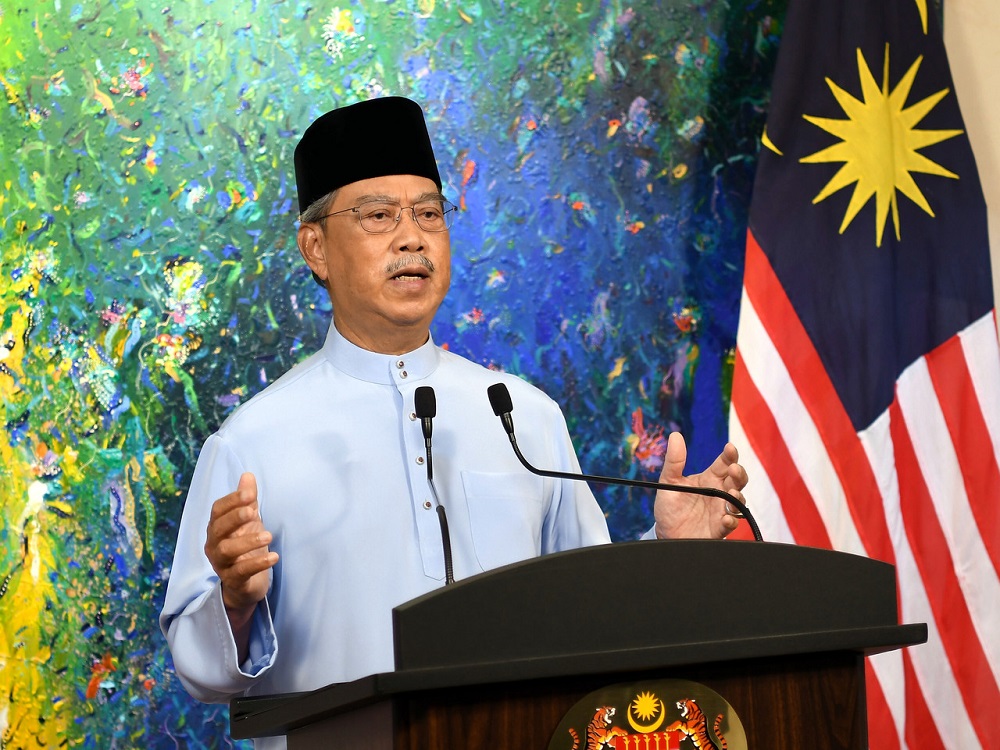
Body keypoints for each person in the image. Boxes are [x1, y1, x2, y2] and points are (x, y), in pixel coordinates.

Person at [159, 97, 748, 747]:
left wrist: (665, 554)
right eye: (379, 215)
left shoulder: (524, 415)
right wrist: (236, 600)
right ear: (316, 248)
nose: (411, 236)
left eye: (429, 214)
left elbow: (588, 617)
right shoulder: (252, 442)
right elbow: (198, 671)